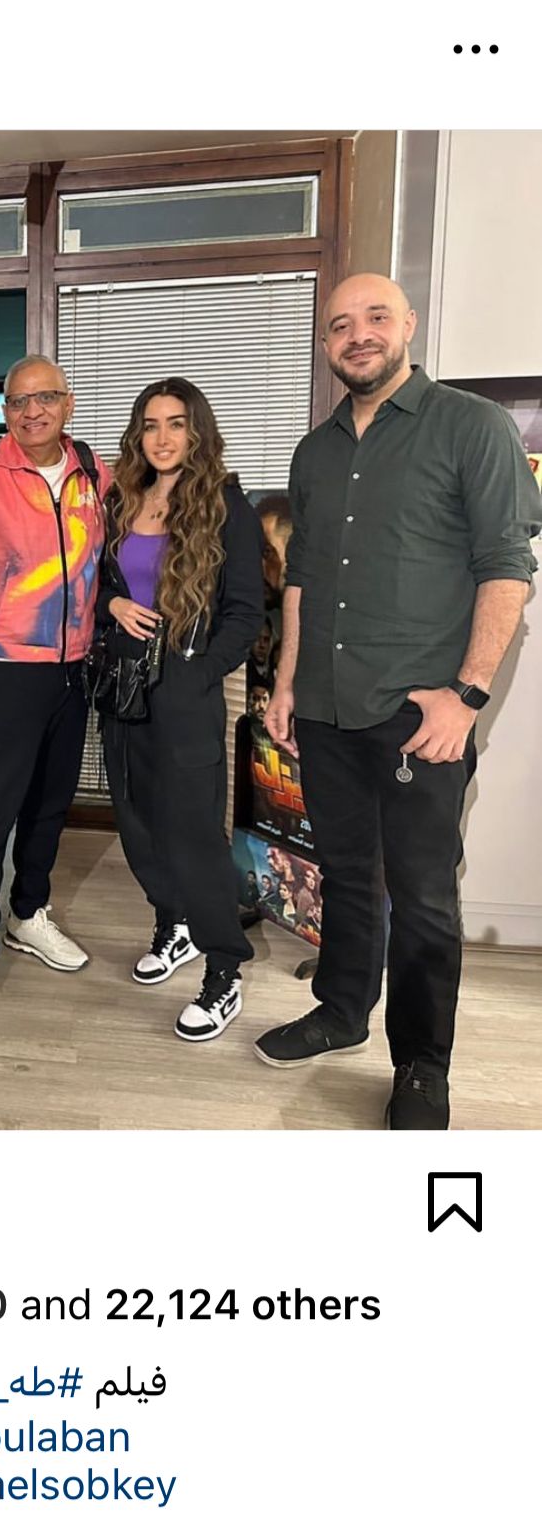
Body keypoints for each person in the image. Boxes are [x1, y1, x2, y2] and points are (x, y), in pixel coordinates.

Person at [261, 273, 542, 1128]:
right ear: (327, 343)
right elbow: (302, 578)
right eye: (340, 324)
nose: (359, 334)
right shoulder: (314, 453)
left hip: (422, 717)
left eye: (375, 316)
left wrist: (466, 696)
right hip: (326, 706)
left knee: (422, 896)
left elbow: (507, 569)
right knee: (345, 872)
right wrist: (285, 683)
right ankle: (343, 1010)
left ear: (408, 324)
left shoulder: (471, 426)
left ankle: (422, 1062)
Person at [0, 355, 108, 1037]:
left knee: (49, 804)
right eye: (17, 401)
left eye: (44, 398)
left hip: (73, 669)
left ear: (67, 404)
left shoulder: (93, 472)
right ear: (6, 411)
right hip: (2, 667)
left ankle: (28, 913)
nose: (31, 411)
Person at [95, 379, 262, 1040]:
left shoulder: (226, 505)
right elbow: (98, 582)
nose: (162, 438)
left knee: (192, 831)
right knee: (136, 822)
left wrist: (199, 674)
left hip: (185, 693)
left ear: (198, 432)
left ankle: (225, 969)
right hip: (123, 686)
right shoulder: (121, 499)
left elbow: (245, 610)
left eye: (176, 424)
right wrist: (112, 604)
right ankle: (174, 924)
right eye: (150, 424)